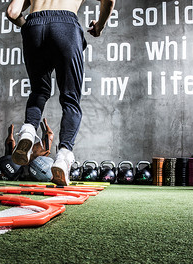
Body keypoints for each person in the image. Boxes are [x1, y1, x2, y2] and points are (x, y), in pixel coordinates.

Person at [6, 0, 116, 185]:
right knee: (70, 99)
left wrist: (29, 27)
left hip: (34, 26)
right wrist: (99, 25)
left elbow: (12, 12)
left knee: (39, 91)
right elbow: (109, 1)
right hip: (65, 25)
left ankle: (27, 132)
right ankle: (63, 157)